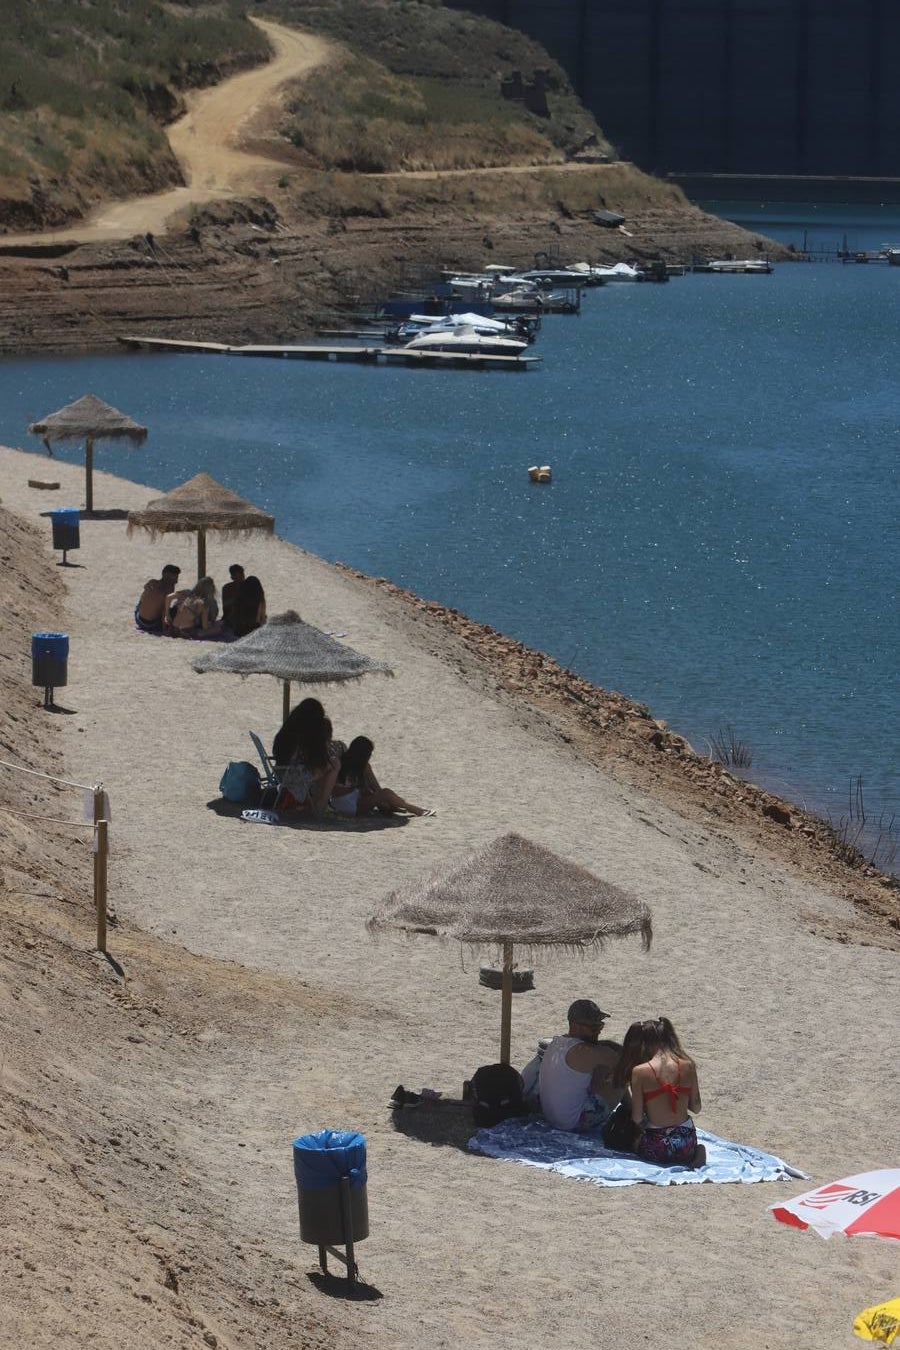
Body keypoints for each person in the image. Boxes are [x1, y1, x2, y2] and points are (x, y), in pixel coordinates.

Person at [614, 1017, 704, 1168]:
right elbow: (696, 1107)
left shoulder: (640, 1071)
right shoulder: (688, 1065)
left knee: (632, 1140)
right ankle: (698, 1155)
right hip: (686, 1144)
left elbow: (637, 1117)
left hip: (658, 1148)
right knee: (699, 1147)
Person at [537, 999, 623, 1132]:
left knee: (601, 1067)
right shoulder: (583, 1052)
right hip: (573, 1123)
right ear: (575, 1026)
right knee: (623, 1074)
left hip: (554, 1118)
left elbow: (603, 1049)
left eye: (601, 1026)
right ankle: (636, 1113)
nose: (599, 1031)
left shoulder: (557, 1042)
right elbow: (623, 1060)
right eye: (594, 1028)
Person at [330, 735, 432, 817]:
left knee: (384, 793)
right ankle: (415, 809)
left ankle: (391, 804)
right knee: (385, 793)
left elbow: (373, 787)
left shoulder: (346, 763)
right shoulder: (347, 767)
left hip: (345, 803)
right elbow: (338, 790)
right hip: (348, 805)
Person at [273, 697, 340, 817]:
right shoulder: (306, 735)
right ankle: (321, 805)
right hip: (296, 776)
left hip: (281, 774)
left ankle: (316, 804)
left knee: (325, 767)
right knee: (334, 764)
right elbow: (316, 760)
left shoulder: (286, 731)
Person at [134, 563, 181, 632]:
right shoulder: (169, 589)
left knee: (144, 597)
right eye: (175, 578)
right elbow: (164, 611)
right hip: (151, 624)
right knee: (176, 608)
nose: (176, 582)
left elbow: (145, 590)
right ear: (168, 577)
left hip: (139, 619)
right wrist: (164, 628)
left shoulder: (153, 582)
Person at [229, 574, 266, 638]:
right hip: (251, 629)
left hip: (238, 630)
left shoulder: (239, 599)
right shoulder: (258, 599)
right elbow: (260, 620)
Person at [221, 564, 245, 630]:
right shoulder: (227, 588)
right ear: (232, 577)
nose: (241, 578)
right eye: (238, 576)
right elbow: (225, 606)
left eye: (242, 575)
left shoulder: (248, 586)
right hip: (232, 616)